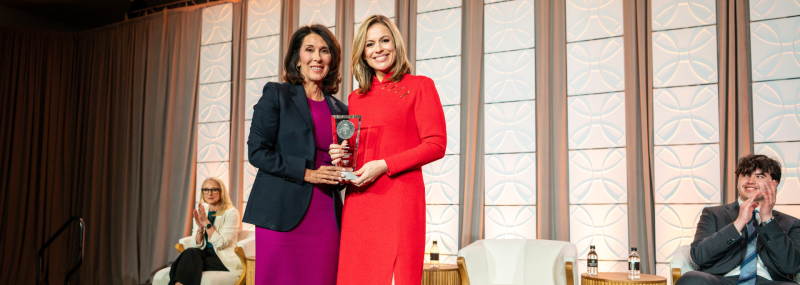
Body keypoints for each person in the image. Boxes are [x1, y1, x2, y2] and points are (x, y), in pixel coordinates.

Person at [330, 15, 447, 285]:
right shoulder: (355, 98)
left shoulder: (420, 86)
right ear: (363, 52)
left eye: (384, 40)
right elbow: (355, 154)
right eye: (370, 44)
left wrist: (385, 164)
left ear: (396, 43)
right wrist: (342, 157)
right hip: (359, 201)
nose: (378, 49)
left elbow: (436, 145)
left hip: (400, 200)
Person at [242, 24, 348, 285]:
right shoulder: (277, 95)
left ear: (331, 60)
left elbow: (345, 167)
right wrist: (308, 173)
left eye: (324, 51)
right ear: (297, 59)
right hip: (281, 213)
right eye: (309, 49)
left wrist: (345, 167)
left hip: (326, 216)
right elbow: (257, 152)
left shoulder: (342, 109)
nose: (317, 57)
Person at [677, 154, 800, 285]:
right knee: (692, 279)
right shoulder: (713, 214)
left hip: (767, 282)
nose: (750, 181)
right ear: (737, 182)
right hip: (721, 280)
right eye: (745, 175)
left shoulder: (791, 223)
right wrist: (738, 223)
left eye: (759, 176)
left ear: (774, 184)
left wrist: (768, 220)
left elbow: (791, 266)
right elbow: (699, 257)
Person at [168, 177, 241, 285]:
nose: (209, 193)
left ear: (221, 192)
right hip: (203, 254)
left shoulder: (231, 213)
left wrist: (206, 223)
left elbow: (221, 243)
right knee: (190, 252)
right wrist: (200, 228)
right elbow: (195, 244)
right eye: (206, 190)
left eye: (214, 189)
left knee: (184, 263)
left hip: (223, 258)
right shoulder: (202, 212)